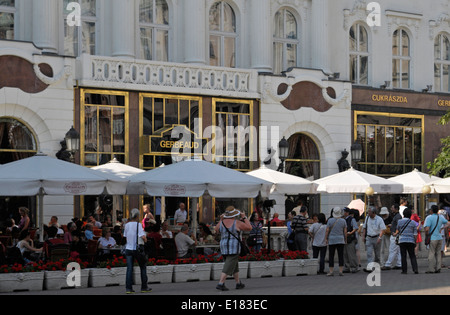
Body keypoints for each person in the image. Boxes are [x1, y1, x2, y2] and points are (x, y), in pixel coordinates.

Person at [214, 206, 252, 291]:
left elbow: (216, 230)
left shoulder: (222, 222)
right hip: (234, 246)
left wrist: (221, 219)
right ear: (234, 215)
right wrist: (244, 217)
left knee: (234, 264)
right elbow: (249, 227)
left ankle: (238, 283)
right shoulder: (236, 222)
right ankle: (221, 283)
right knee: (228, 264)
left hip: (224, 246)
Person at [123, 208, 151, 294]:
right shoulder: (138, 225)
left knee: (129, 269)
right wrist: (146, 240)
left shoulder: (126, 225)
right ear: (137, 216)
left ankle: (128, 288)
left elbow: (125, 236)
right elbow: (142, 236)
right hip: (136, 249)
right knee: (142, 267)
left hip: (128, 249)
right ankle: (144, 287)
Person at [424, 205, 449, 274]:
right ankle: (438, 267)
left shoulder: (429, 218)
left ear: (431, 210)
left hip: (432, 238)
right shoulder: (440, 217)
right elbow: (448, 223)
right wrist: (442, 228)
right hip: (440, 237)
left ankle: (431, 269)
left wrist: (426, 234)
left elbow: (427, 229)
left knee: (431, 253)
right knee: (438, 253)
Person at [362, 206, 386, 272]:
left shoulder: (379, 219)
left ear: (374, 212)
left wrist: (380, 237)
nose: (368, 213)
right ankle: (369, 267)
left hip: (377, 237)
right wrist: (363, 236)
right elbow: (364, 227)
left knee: (377, 254)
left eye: (369, 212)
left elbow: (383, 229)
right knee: (369, 253)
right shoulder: (367, 218)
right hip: (369, 237)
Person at [325, 207, 347, 276]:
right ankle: (341, 271)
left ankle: (331, 271)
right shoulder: (343, 221)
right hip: (340, 239)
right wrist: (345, 239)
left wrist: (326, 238)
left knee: (331, 255)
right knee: (341, 255)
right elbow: (345, 231)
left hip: (332, 239)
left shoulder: (330, 220)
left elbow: (327, 230)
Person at [396, 208, 418, 274]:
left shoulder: (399, 221)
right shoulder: (413, 223)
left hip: (402, 240)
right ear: (410, 215)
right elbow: (415, 234)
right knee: (412, 255)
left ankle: (404, 270)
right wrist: (415, 241)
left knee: (403, 256)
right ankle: (415, 269)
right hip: (411, 240)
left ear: (403, 214)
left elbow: (398, 230)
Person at [382, 204, 402, 270]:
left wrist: (395, 232)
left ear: (396, 209)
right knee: (398, 250)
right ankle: (399, 263)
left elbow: (399, 225)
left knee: (392, 249)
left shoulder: (397, 216)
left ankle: (388, 264)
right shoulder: (397, 216)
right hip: (396, 234)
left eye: (392, 208)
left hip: (395, 235)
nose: (391, 209)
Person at [343, 208, 359, 273]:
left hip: (350, 238)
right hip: (344, 238)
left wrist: (350, 233)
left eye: (343, 212)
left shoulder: (352, 219)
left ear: (347, 213)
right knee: (345, 253)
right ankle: (347, 267)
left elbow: (356, 228)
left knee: (351, 253)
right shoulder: (343, 219)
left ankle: (354, 267)